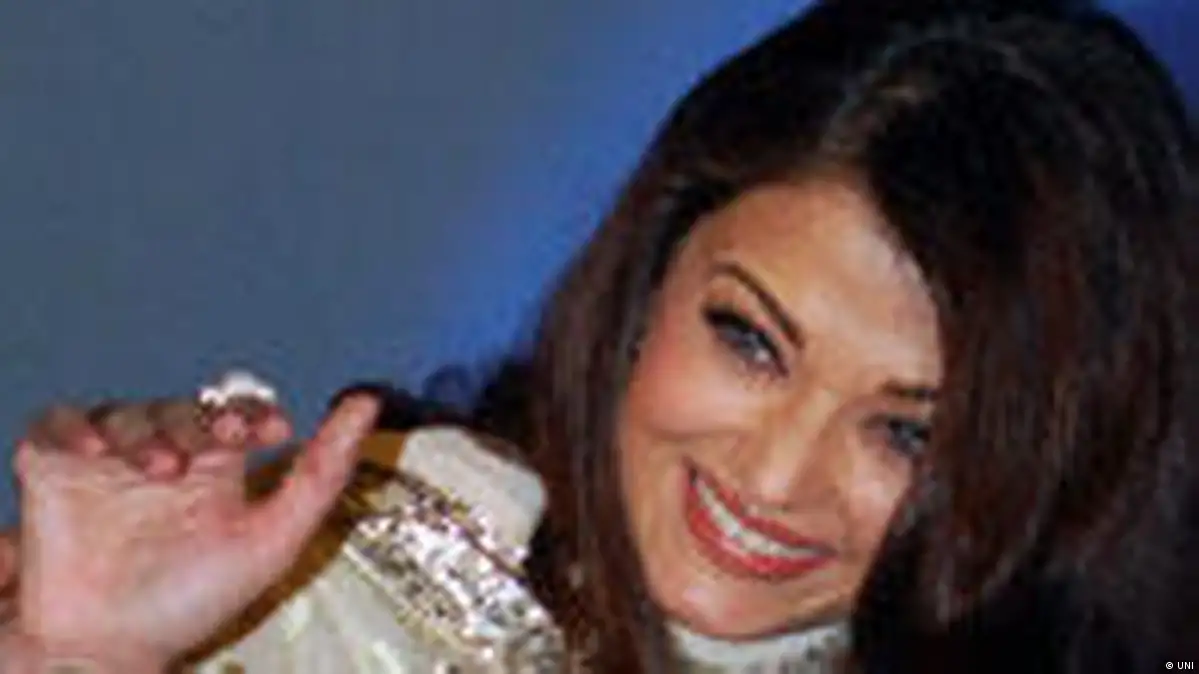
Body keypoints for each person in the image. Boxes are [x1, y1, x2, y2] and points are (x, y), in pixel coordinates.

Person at [2, 0, 1196, 671]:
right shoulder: (336, 573)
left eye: (904, 432)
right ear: (649, 272)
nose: (774, 476)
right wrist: (74, 652)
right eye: (749, 342)